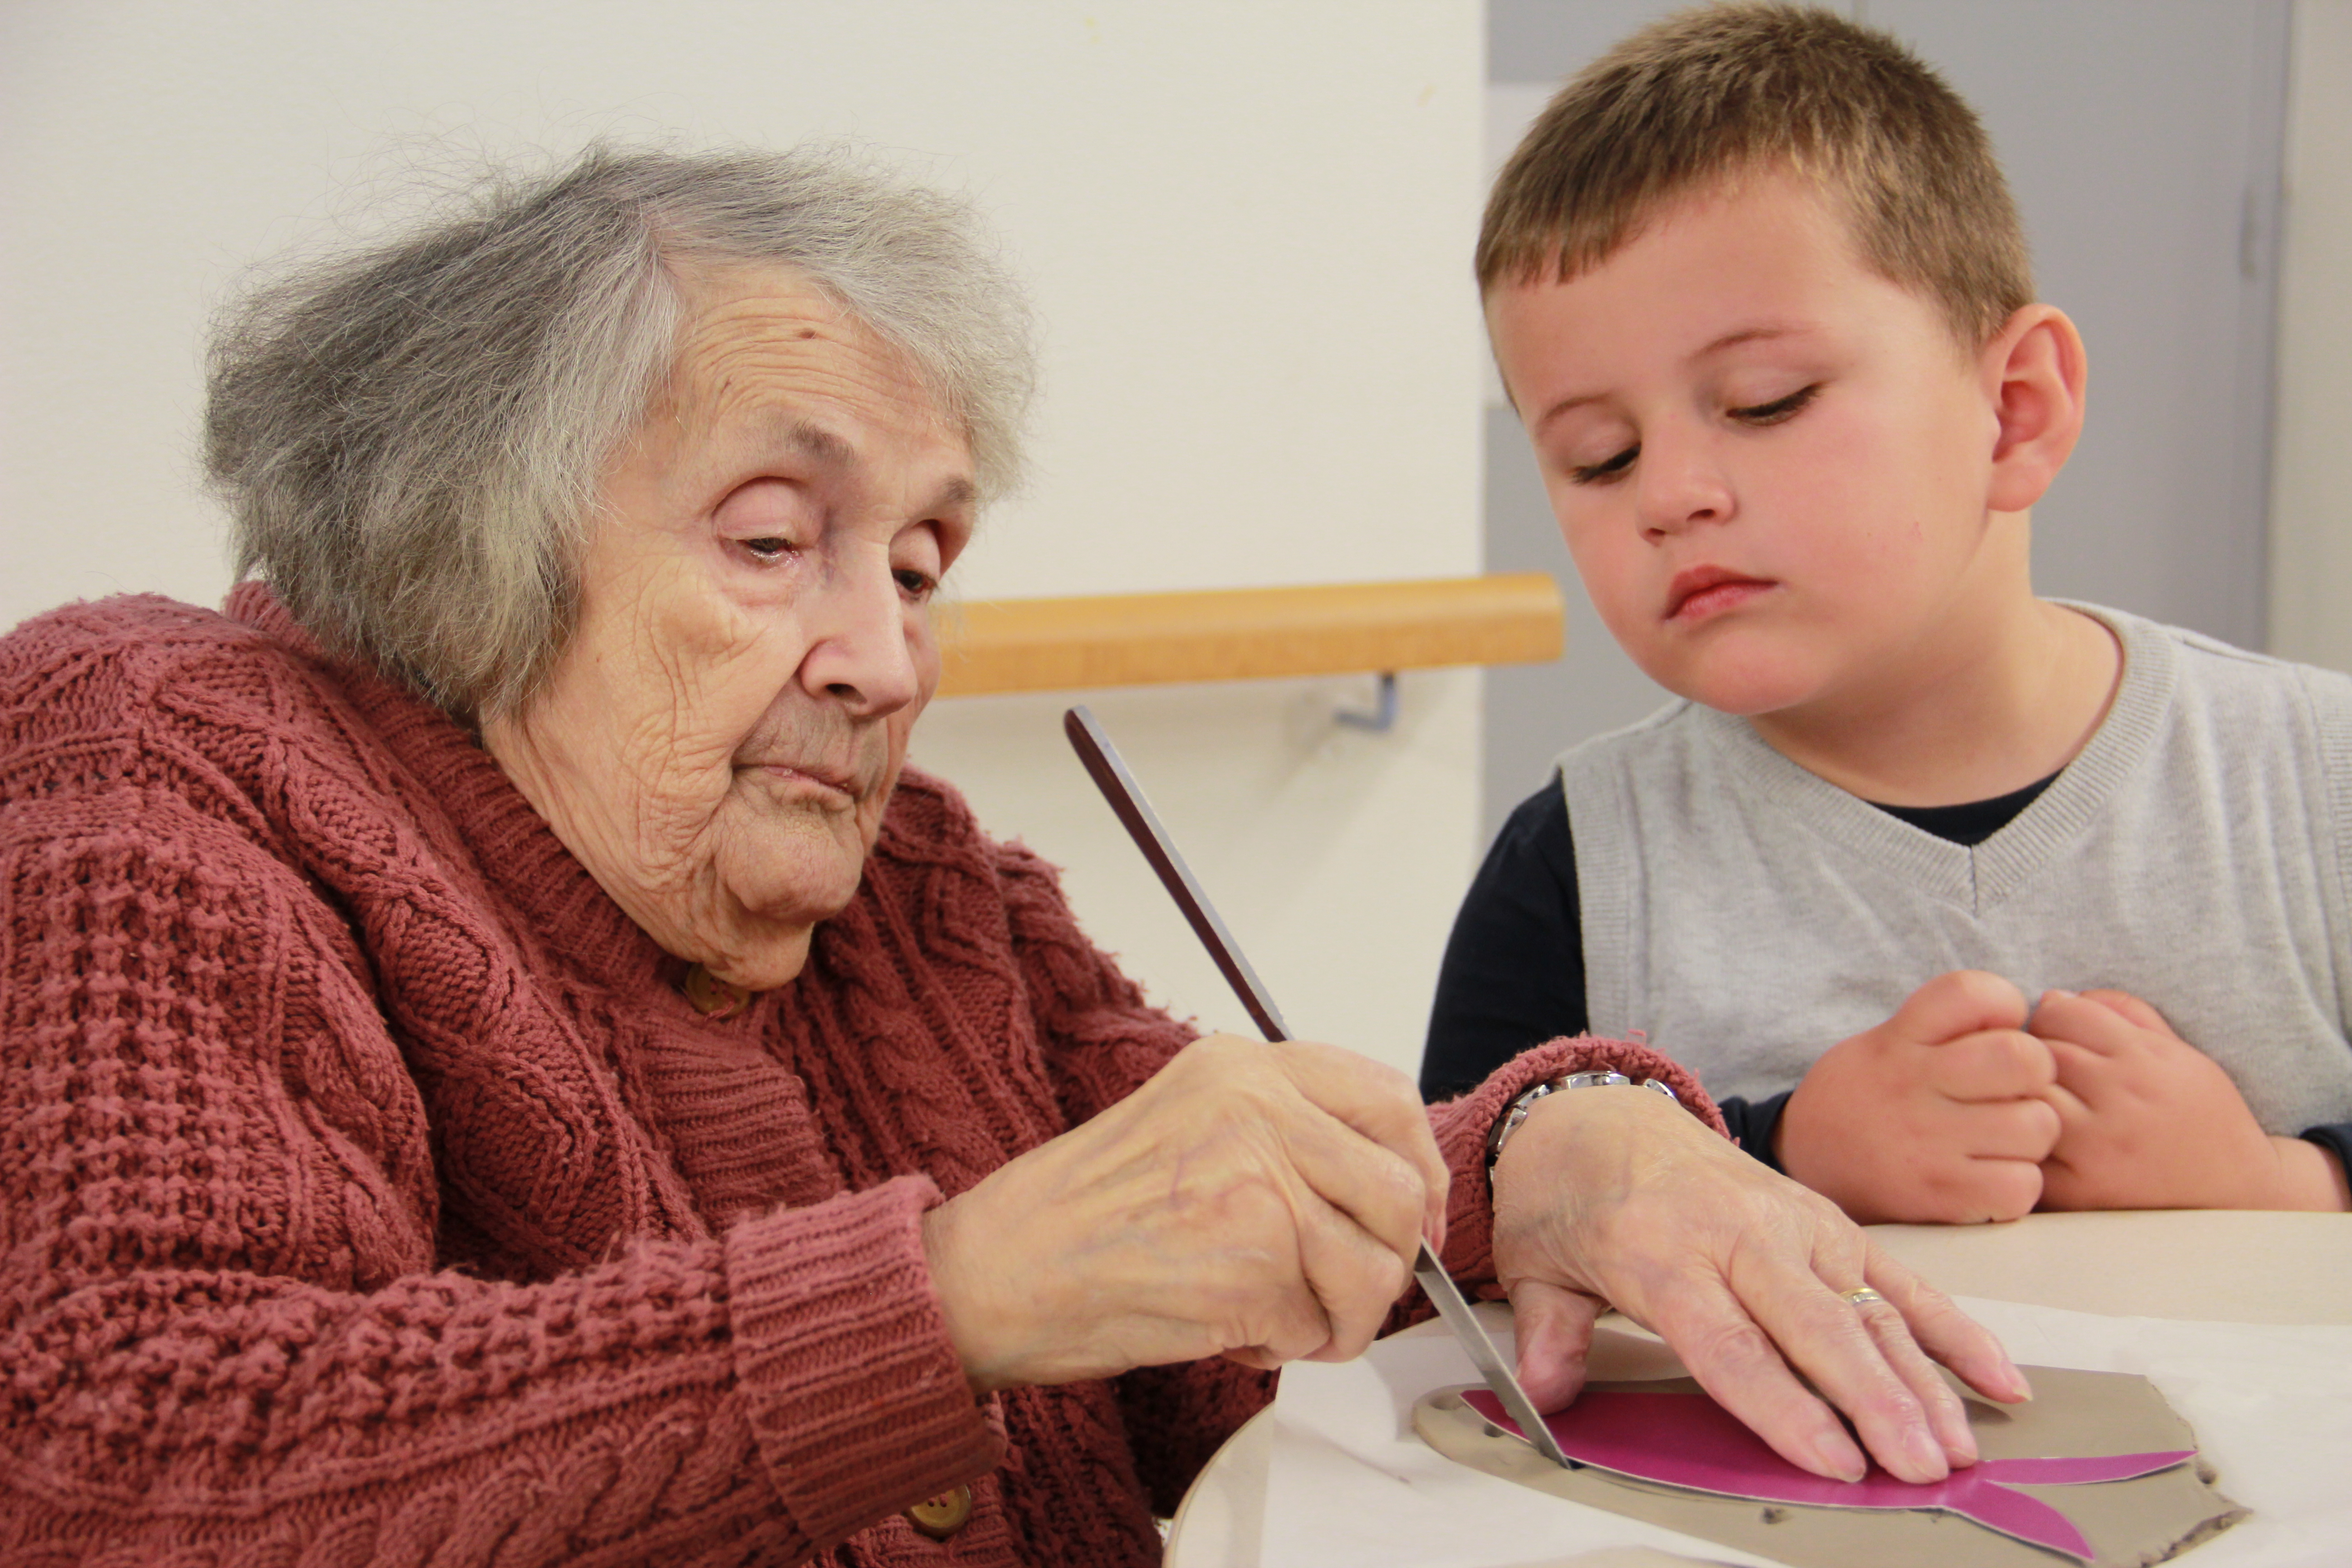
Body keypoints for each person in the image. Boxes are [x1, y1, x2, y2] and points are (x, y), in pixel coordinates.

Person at [0, 143, 2026, 1567]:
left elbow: (1234, 1272)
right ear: (470, 537)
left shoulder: (917, 890)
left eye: (920, 559)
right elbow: (121, 1460)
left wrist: (1552, 1152)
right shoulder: (160, 760)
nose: (887, 659)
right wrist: (955, 1291)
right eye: (775, 540)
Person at [1423, 3, 2352, 1225]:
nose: (1670, 496)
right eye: (1600, 458)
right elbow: (1460, 1244)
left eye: (1766, 401)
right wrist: (1776, 1150)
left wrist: (2286, 1181)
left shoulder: (2320, 781)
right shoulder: (1579, 870)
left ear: (2015, 411)